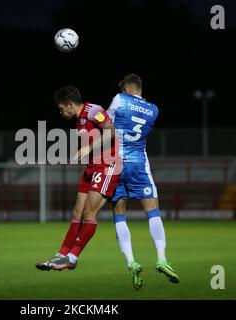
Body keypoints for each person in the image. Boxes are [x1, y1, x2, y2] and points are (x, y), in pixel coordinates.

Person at [36, 86, 120, 271]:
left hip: (107, 166)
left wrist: (89, 148)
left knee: (89, 213)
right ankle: (61, 255)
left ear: (70, 104)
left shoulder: (93, 111)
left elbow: (112, 131)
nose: (61, 112)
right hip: (92, 168)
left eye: (61, 108)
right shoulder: (80, 119)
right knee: (76, 213)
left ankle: (72, 258)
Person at [107, 74, 179, 287]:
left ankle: (131, 262)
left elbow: (105, 123)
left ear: (127, 88)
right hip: (140, 165)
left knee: (119, 214)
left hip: (116, 163)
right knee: (153, 212)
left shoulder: (120, 99)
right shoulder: (154, 110)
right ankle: (162, 257)